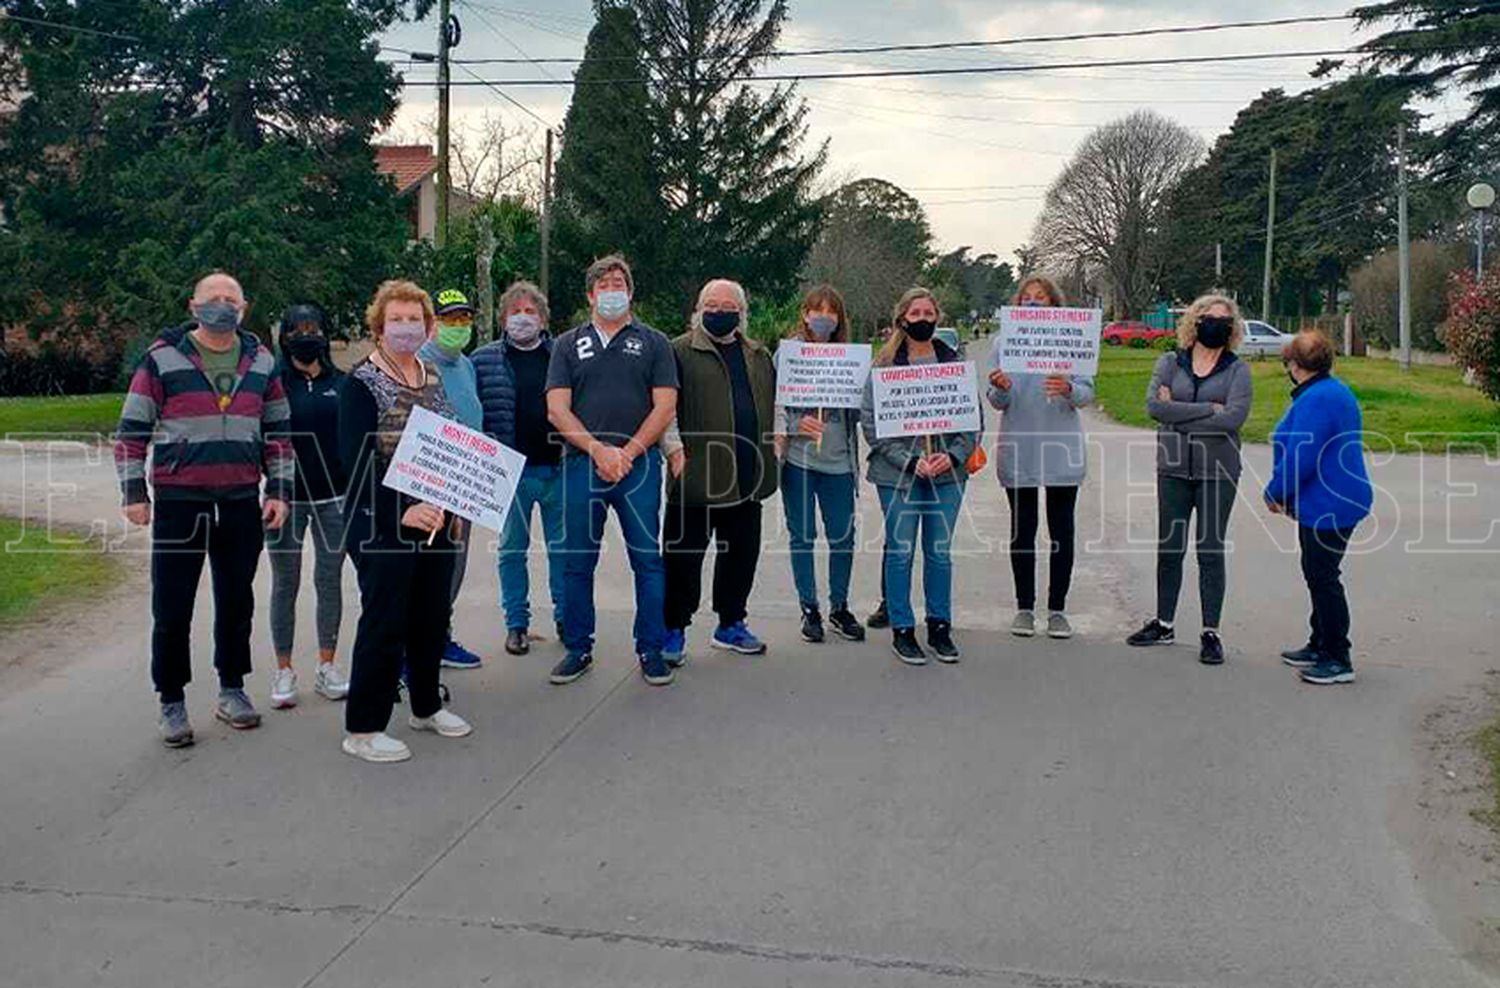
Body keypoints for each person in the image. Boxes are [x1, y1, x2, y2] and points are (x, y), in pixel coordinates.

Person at [115, 271, 292, 747]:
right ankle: (171, 701)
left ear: (244, 307)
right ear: (193, 307)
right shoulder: (162, 359)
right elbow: (131, 431)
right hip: (179, 502)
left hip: (239, 501)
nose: (220, 304)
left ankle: (232, 690)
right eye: (211, 298)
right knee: (172, 607)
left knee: (237, 603)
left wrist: (278, 491)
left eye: (229, 298)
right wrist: (134, 493)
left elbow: (279, 434)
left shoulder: (262, 362)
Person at [339, 280, 472, 763]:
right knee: (384, 619)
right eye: (396, 319)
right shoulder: (361, 383)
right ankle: (363, 727)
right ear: (378, 327)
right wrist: (402, 510)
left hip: (435, 516)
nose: (406, 327)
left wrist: (457, 502)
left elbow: (450, 443)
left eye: (414, 319)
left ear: (427, 325)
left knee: (430, 615)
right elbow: (355, 464)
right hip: (382, 521)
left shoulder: (432, 374)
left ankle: (425, 705)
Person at [545, 255, 678, 686]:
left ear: (631, 291)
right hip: (584, 464)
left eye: (619, 282)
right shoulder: (567, 344)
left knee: (648, 561)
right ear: (590, 295)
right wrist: (599, 450)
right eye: (603, 284)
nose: (612, 290)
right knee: (577, 562)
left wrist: (632, 450)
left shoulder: (654, 342)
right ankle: (578, 647)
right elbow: (557, 408)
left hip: (638, 467)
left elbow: (665, 404)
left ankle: (651, 648)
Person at [1126, 293, 1253, 665]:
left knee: (1210, 550)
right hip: (1173, 468)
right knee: (1170, 548)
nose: (1216, 324)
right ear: (1195, 322)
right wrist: (1205, 409)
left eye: (1224, 321)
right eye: (1210, 318)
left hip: (1219, 471)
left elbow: (1233, 419)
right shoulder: (1169, 362)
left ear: (1232, 329)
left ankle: (1210, 631)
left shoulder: (1237, 369)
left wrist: (1176, 414)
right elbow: (1154, 407)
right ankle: (1164, 623)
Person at [660, 278, 777, 663]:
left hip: (747, 476)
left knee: (741, 557)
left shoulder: (758, 355)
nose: (721, 312)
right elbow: (664, 410)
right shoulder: (676, 351)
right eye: (713, 305)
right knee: (682, 559)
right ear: (698, 309)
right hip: (695, 478)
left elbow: (775, 406)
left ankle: (730, 624)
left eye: (729, 307)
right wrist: (674, 451)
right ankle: (673, 629)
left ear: (742, 313)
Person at [861, 288, 976, 665]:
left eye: (929, 312)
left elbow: (972, 420)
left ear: (937, 318)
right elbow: (873, 425)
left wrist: (954, 455)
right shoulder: (884, 366)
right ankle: (903, 629)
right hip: (898, 476)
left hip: (948, 475)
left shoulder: (954, 363)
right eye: (916, 312)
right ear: (903, 319)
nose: (923, 318)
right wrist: (910, 461)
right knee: (901, 551)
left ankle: (940, 626)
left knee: (939, 553)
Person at [985, 276, 1094, 640]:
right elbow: (996, 400)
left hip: (1060, 446)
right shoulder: (1003, 343)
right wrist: (999, 388)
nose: (1034, 304)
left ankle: (1058, 609)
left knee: (1062, 530)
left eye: (1041, 298)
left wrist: (1068, 388)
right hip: (1020, 445)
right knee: (1023, 530)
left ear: (1054, 305)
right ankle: (1025, 608)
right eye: (1027, 298)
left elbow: (1086, 394)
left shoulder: (1071, 341)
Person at [1264, 330, 1373, 685]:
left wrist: (1275, 491)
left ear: (1295, 366)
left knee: (1323, 577)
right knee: (1318, 573)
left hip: (1330, 502)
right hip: (1333, 498)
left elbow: (1301, 456)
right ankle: (1319, 642)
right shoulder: (1330, 390)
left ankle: (1338, 657)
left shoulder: (1317, 400)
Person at [471, 280, 566, 656]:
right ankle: (516, 624)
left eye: (530, 312)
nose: (523, 318)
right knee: (512, 551)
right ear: (503, 318)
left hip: (558, 469)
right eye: (515, 312)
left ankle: (565, 616)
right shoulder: (483, 360)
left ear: (543, 319)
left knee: (564, 551)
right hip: (510, 473)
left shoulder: (563, 354)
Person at [266, 303, 350, 709]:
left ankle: (327, 665)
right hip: (285, 499)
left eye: (313, 327)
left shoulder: (344, 383)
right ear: (284, 338)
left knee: (329, 579)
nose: (306, 334)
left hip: (335, 496)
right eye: (297, 328)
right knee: (286, 582)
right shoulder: (274, 383)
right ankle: (284, 670)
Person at [773, 284, 865, 643]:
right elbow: (775, 407)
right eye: (817, 310)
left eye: (831, 311)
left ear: (839, 319)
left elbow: (865, 410)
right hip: (799, 462)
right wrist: (797, 426)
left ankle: (839, 606)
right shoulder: (788, 355)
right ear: (805, 314)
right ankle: (808, 607)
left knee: (842, 536)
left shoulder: (851, 357)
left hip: (839, 463)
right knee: (803, 536)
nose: (824, 317)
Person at [421, 288, 486, 671]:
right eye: (450, 319)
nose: (458, 326)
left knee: (454, 567)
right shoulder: (418, 363)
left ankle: (439, 637)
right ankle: (415, 646)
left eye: (464, 319)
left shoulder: (466, 364)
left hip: (465, 482)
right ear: (433, 324)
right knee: (427, 570)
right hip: (429, 484)